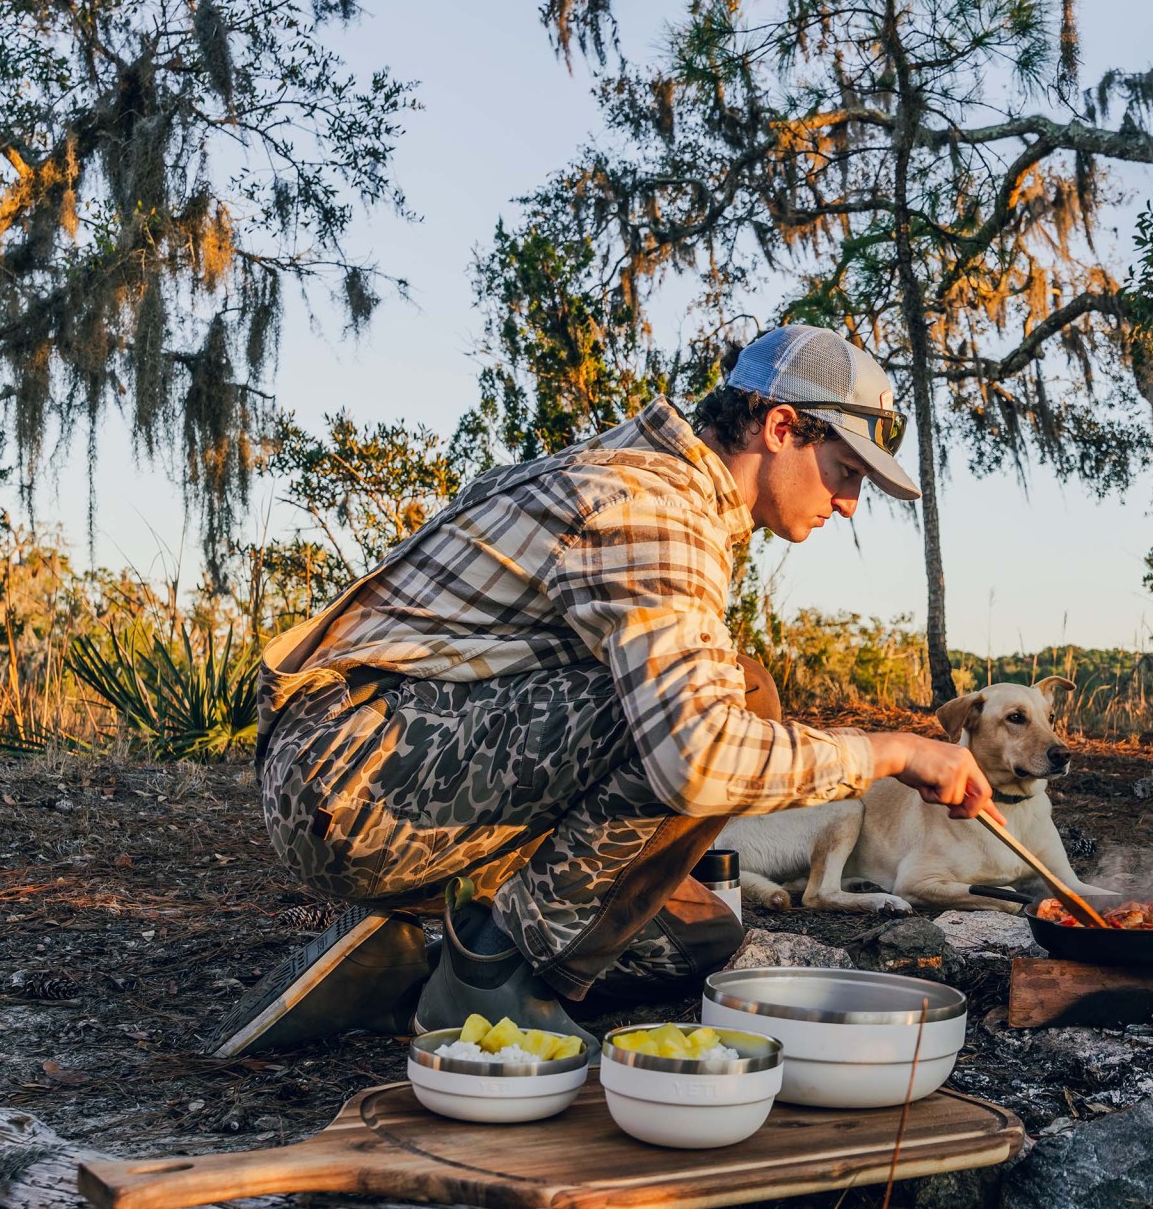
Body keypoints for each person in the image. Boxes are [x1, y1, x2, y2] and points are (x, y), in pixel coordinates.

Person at [214, 324, 1003, 1058]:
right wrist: (893, 752)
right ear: (783, 428)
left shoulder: (650, 481)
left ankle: (422, 957)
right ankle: (488, 977)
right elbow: (698, 755)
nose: (847, 502)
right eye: (846, 472)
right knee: (734, 702)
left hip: (391, 759)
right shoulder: (653, 508)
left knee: (702, 945)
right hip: (356, 777)